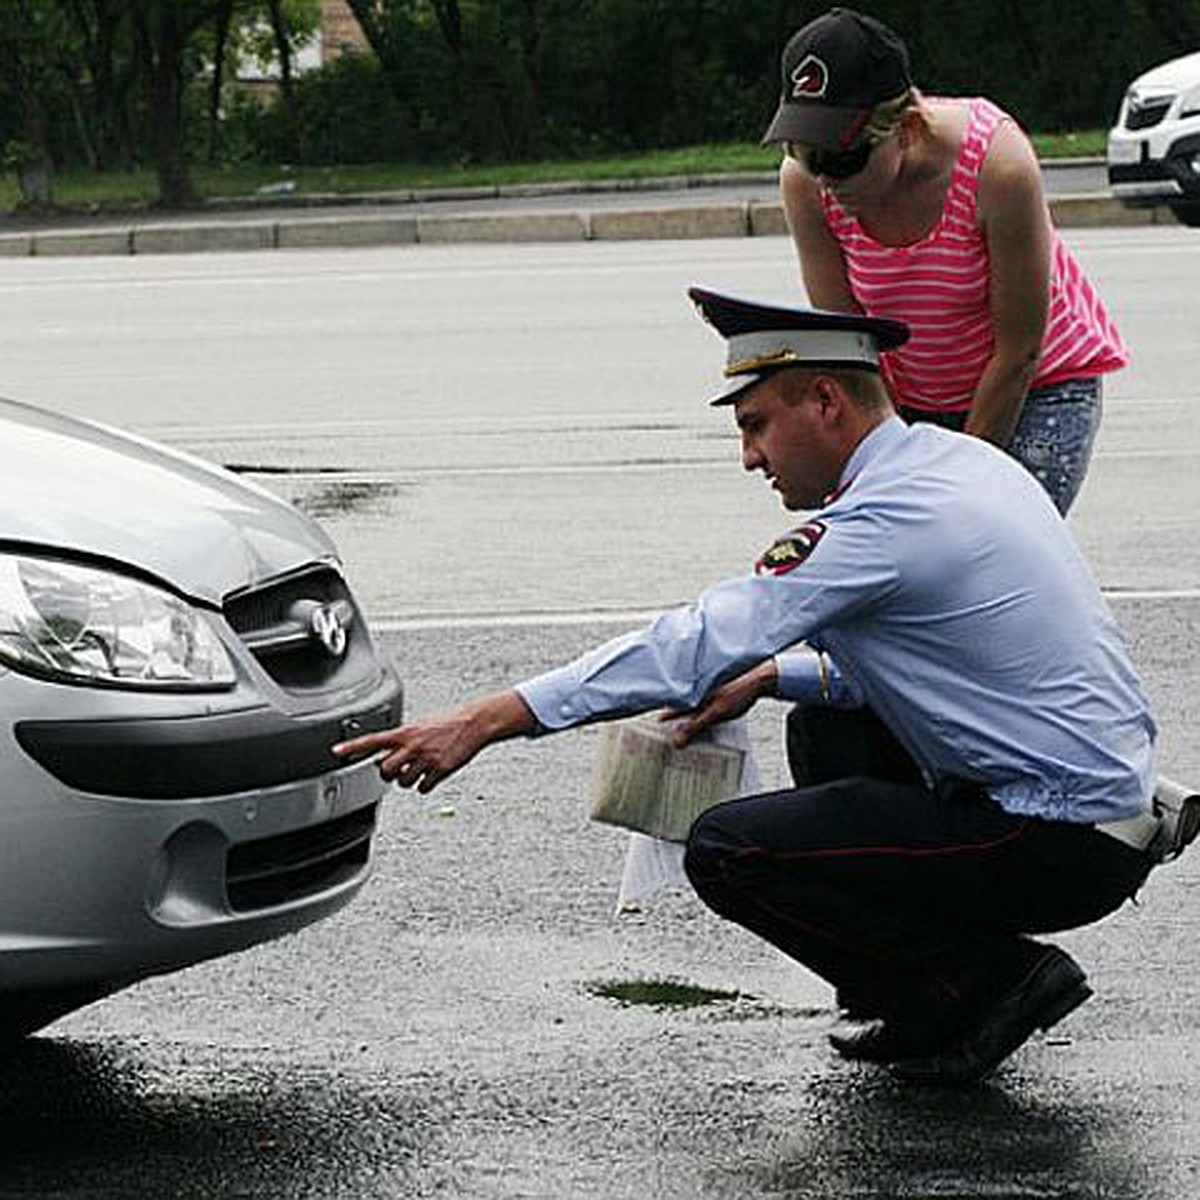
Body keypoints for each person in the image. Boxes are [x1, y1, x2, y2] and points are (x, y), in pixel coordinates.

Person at [333, 288, 1175, 1086]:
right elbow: (944, 658)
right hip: (1101, 817)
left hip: (1049, 840)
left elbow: (691, 643)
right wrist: (772, 676)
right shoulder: (951, 462)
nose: (748, 458)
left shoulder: (878, 523)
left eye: (756, 426)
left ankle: (975, 985)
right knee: (813, 713)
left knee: (731, 851)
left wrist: (487, 718)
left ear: (825, 402)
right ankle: (938, 971)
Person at [763, 7, 1128, 516]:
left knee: (990, 543)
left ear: (907, 128)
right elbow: (850, 344)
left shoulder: (998, 168)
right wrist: (893, 462)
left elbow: (1019, 350)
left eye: (842, 159)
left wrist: (957, 480)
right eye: (805, 151)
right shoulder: (806, 185)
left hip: (1037, 388)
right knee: (915, 558)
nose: (824, 177)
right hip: (913, 395)